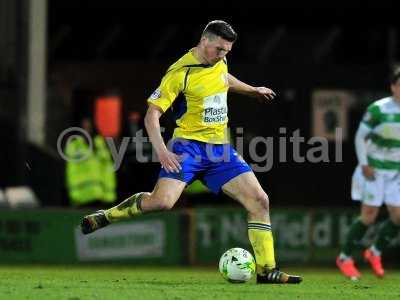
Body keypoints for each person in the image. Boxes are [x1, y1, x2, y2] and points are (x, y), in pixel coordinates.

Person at [80, 20, 302, 284]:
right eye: (219, 49)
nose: (222, 55)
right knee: (162, 202)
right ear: (204, 40)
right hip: (188, 148)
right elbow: (152, 116)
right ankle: (107, 216)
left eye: (227, 52)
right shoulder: (179, 72)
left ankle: (267, 270)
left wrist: (252, 90)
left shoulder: (218, 62)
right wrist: (162, 151)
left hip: (220, 150)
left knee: (260, 201)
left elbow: (223, 78)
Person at [336, 67, 400, 280]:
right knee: (369, 216)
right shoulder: (378, 109)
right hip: (374, 169)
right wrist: (364, 163)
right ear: (393, 86)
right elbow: (360, 137)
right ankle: (344, 257)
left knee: (399, 217)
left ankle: (374, 252)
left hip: (396, 172)